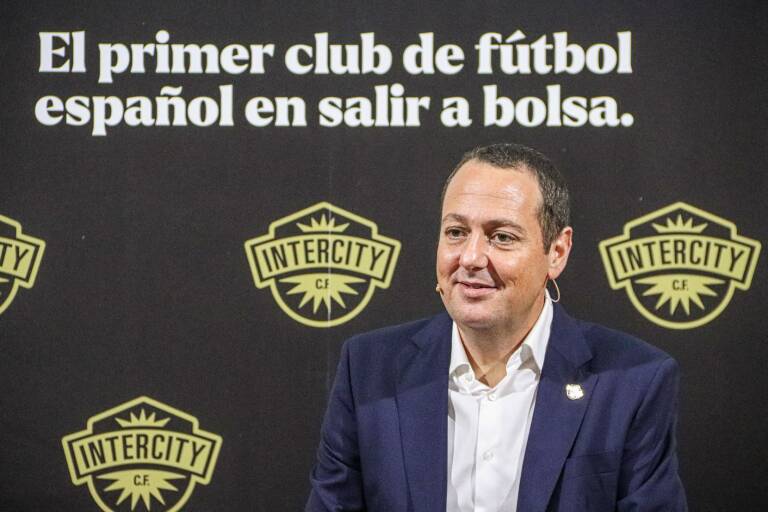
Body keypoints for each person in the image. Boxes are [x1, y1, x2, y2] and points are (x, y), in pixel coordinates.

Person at [306, 143, 687, 511]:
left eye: (502, 237)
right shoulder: (369, 369)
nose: (470, 258)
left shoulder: (633, 380)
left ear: (557, 252)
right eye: (456, 232)